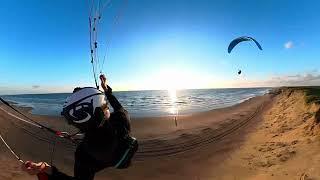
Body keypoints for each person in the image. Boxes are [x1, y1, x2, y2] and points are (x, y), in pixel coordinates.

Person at [21, 74, 138, 180]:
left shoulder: (83, 153)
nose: (106, 106)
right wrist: (106, 90)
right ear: (100, 112)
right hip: (122, 155)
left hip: (103, 161)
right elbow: (118, 107)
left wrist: (47, 169)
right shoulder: (121, 120)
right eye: (104, 105)